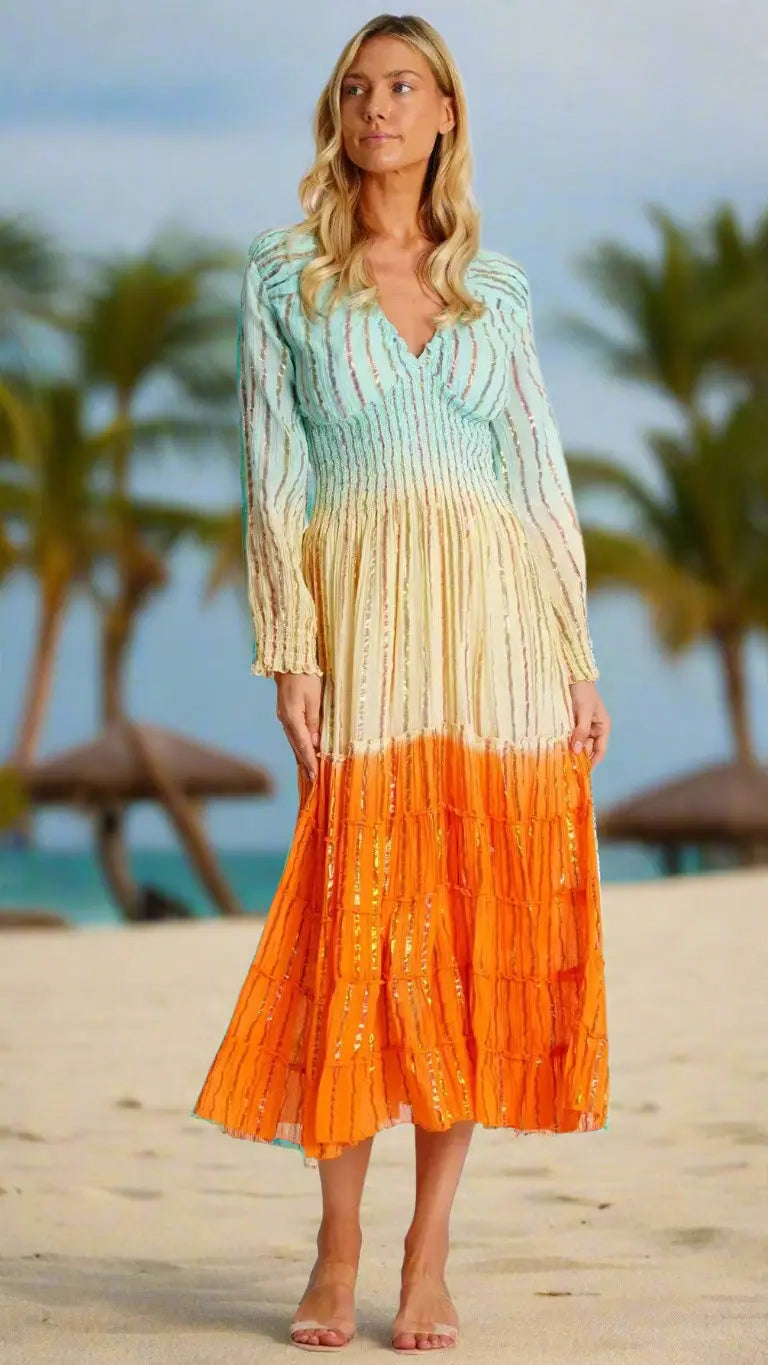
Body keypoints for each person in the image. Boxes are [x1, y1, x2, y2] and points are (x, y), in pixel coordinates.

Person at [192, 13, 611, 1355]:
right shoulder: (281, 277)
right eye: (359, 87)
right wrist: (291, 647)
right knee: (359, 928)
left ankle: (429, 1250)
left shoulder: (503, 290)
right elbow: (276, 479)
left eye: (406, 86)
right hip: (369, 632)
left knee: (469, 938)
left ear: (444, 115)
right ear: (340, 115)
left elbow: (539, 485)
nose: (380, 106)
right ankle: (339, 1242)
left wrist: (577, 657)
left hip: (498, 644)